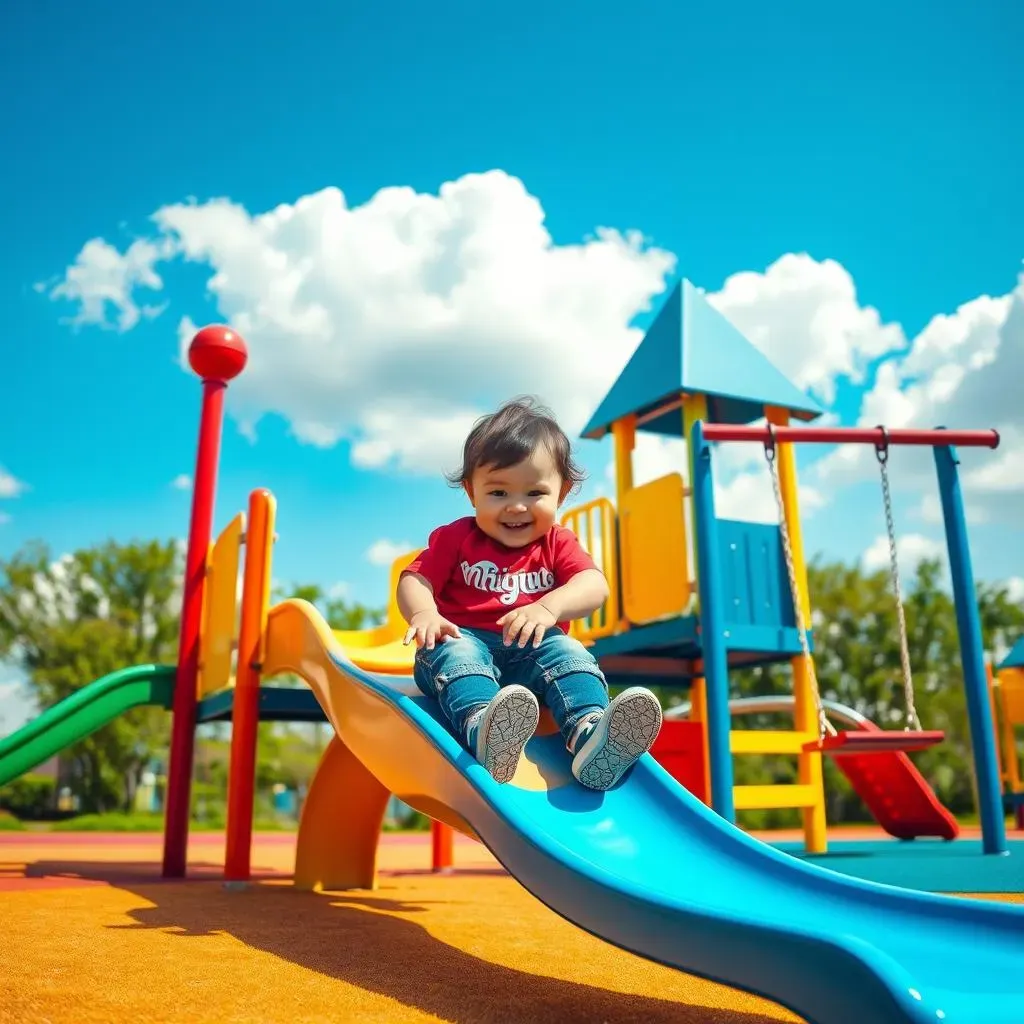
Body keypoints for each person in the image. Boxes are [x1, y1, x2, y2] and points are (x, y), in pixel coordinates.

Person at [397, 396, 663, 790]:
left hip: (532, 649)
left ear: (563, 491)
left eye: (534, 493)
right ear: (472, 493)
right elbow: (414, 579)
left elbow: (594, 586)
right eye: (498, 493)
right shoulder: (456, 538)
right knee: (456, 650)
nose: (516, 507)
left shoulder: (558, 542)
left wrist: (549, 606)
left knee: (569, 652)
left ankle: (590, 733)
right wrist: (424, 615)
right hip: (464, 639)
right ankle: (482, 728)